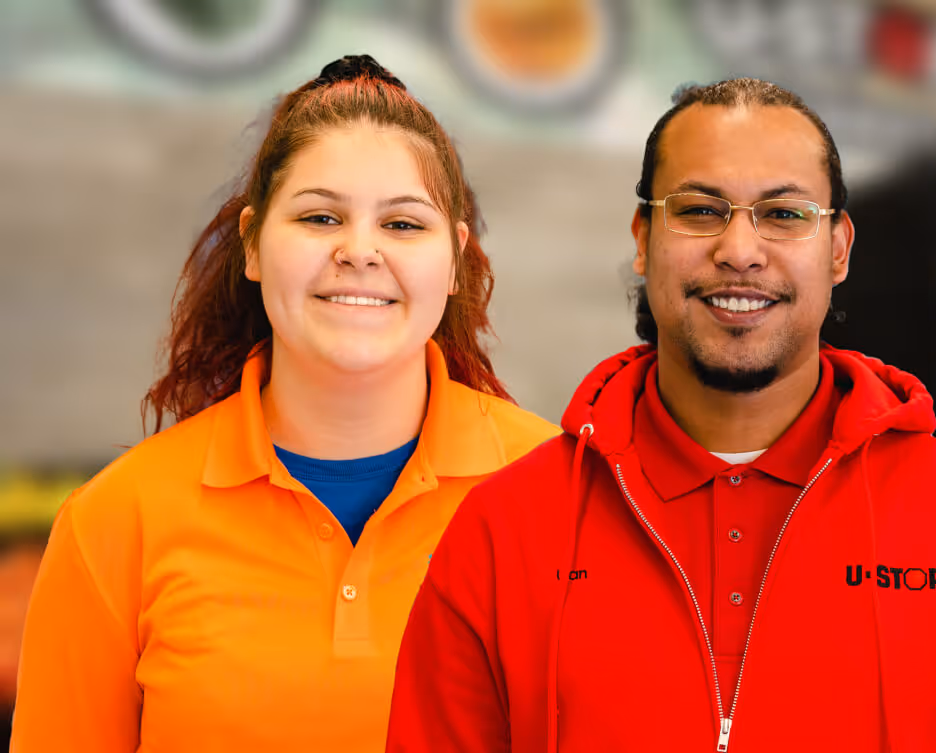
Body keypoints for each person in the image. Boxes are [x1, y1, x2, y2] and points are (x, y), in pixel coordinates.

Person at [386, 78, 936, 752]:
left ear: (839, 248)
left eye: (784, 215)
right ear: (643, 236)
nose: (740, 250)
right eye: (700, 209)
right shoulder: (504, 531)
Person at [12, 55, 558, 752]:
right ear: (252, 245)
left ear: (455, 260)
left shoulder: (564, 494)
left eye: (402, 225)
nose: (359, 251)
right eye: (320, 216)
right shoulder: (115, 522)